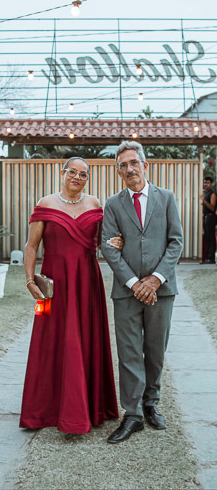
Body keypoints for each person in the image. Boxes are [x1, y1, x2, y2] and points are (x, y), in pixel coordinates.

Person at [20, 156, 121, 434]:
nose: (77, 177)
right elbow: (31, 247)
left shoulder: (95, 204)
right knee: (53, 340)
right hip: (56, 285)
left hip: (87, 283)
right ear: (62, 173)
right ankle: (47, 409)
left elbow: (103, 244)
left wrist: (117, 242)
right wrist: (30, 281)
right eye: (72, 172)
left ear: (88, 179)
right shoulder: (46, 203)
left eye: (83, 174)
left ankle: (90, 408)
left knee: (86, 339)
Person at [101, 141, 183, 444]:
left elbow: (176, 241)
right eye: (122, 165)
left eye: (133, 163)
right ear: (118, 171)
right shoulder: (112, 204)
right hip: (126, 292)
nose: (129, 169)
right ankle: (133, 414)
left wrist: (155, 280)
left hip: (162, 291)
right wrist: (136, 283)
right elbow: (108, 246)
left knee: (155, 351)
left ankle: (151, 403)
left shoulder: (167, 198)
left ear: (145, 165)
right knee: (129, 352)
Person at [201, 176, 216, 264]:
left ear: (211, 184)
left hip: (211, 218)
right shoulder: (206, 193)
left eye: (207, 183)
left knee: (211, 238)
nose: (205, 184)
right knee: (207, 238)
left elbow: (212, 207)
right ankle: (208, 257)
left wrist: (204, 200)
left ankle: (211, 258)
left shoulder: (212, 193)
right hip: (206, 218)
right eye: (204, 182)